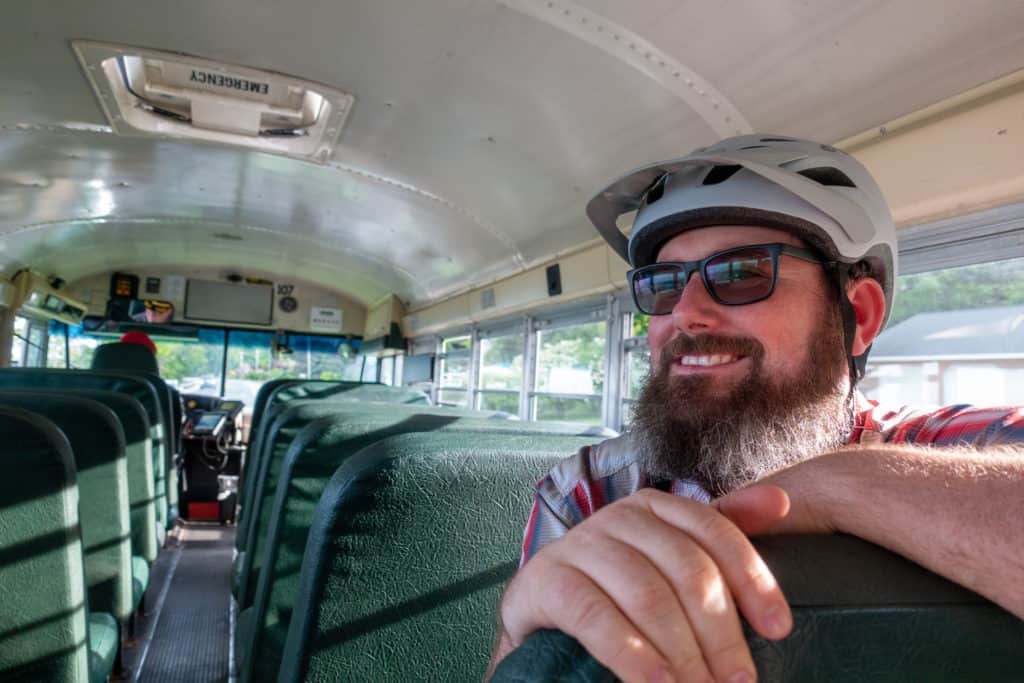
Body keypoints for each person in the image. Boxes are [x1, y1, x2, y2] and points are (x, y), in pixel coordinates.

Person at [487, 135, 1024, 682]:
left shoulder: (949, 449)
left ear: (858, 315)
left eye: (741, 274)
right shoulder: (586, 492)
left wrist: (827, 487)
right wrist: (516, 632)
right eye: (663, 285)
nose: (687, 314)